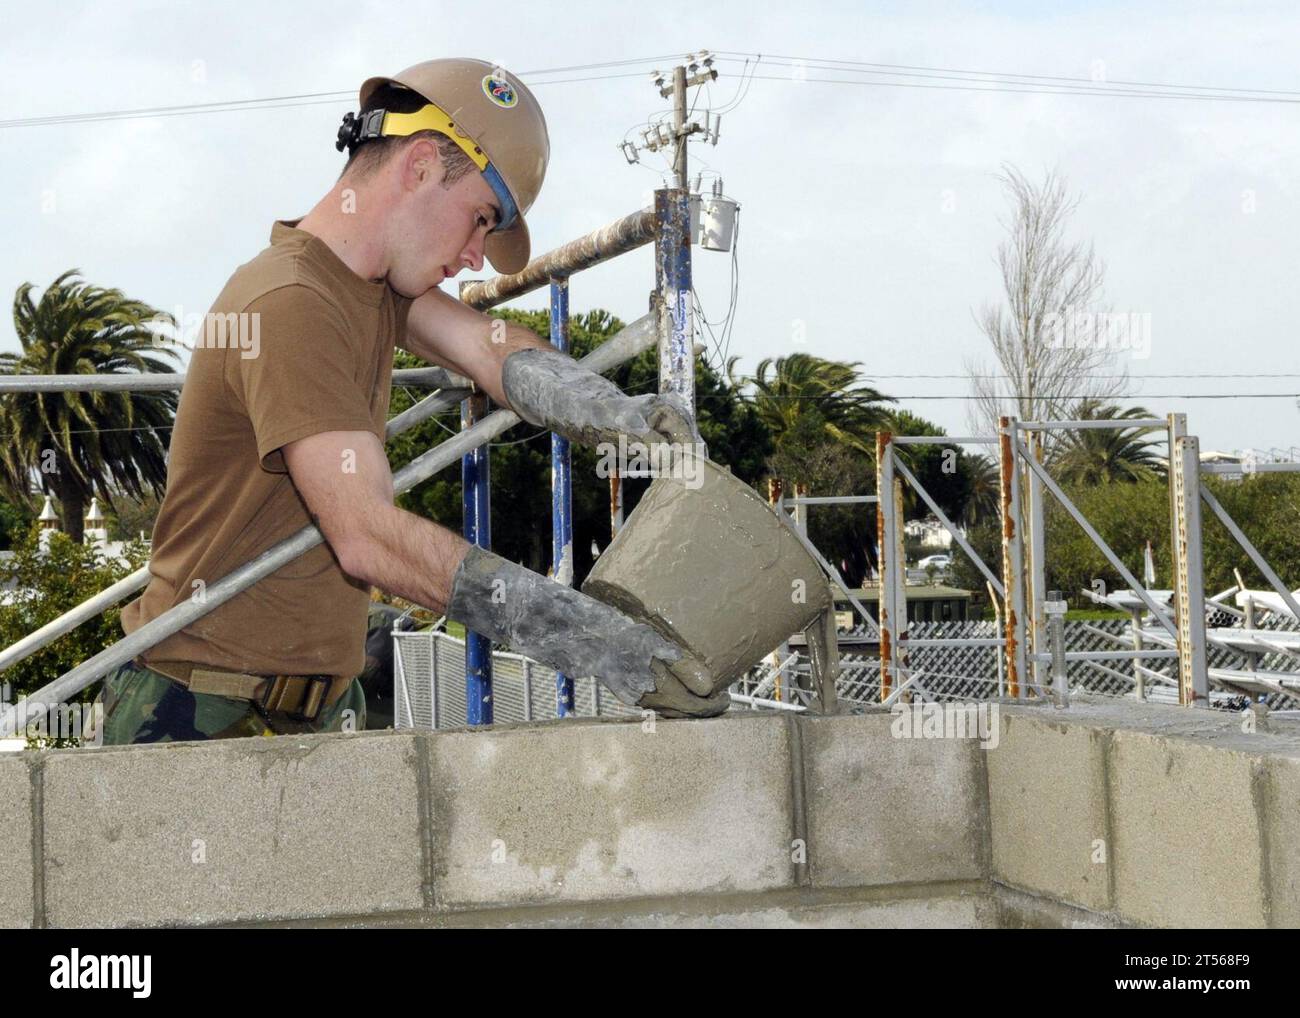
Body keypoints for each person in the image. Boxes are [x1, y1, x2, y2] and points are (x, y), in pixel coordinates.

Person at [95, 58, 726, 745]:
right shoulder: (291, 302)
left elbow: (488, 346)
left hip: (306, 706)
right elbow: (366, 535)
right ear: (421, 166)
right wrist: (594, 640)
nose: (476, 258)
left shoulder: (366, 285)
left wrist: (614, 412)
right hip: (199, 708)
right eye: (479, 221)